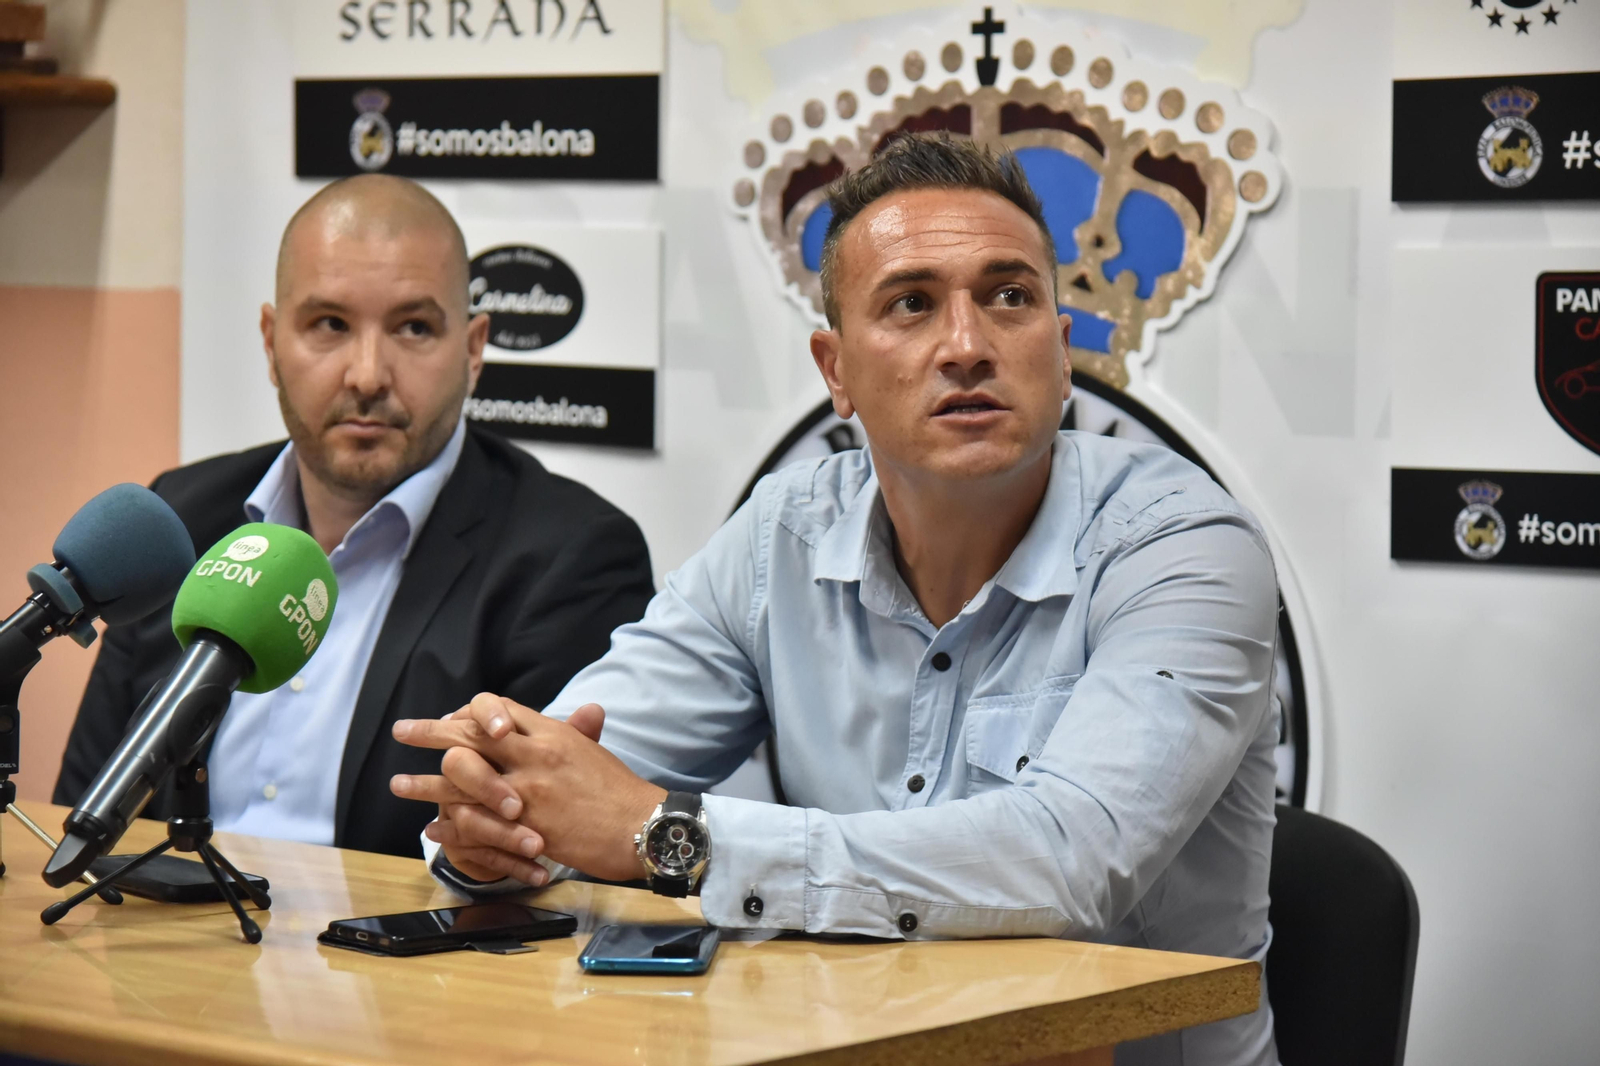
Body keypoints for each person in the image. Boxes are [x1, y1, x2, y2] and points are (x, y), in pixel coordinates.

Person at [392, 135, 1280, 1065]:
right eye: (912, 304)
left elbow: (1072, 856)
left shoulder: (1185, 544)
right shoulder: (785, 532)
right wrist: (494, 829)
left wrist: (674, 837)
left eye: (1010, 297)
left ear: (1062, 358)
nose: (968, 346)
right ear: (837, 371)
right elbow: (570, 773)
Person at [54, 175, 655, 860]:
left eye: (414, 328)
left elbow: (545, 854)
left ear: (474, 349)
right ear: (271, 340)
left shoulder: (568, 556)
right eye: (330, 325)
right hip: (173, 947)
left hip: (397, 959)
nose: (368, 375)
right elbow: (82, 802)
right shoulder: (183, 517)